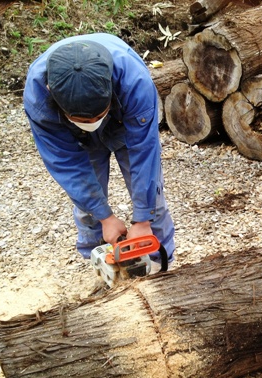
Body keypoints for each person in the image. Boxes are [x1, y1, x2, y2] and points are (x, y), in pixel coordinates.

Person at [23, 33, 175, 265]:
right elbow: (66, 163)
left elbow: (144, 151)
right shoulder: (38, 97)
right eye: (83, 118)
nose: (93, 121)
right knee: (88, 209)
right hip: (75, 136)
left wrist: (143, 220)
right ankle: (98, 263)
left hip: (123, 120)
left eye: (98, 115)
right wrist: (104, 217)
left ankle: (160, 264)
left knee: (153, 203)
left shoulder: (134, 82)